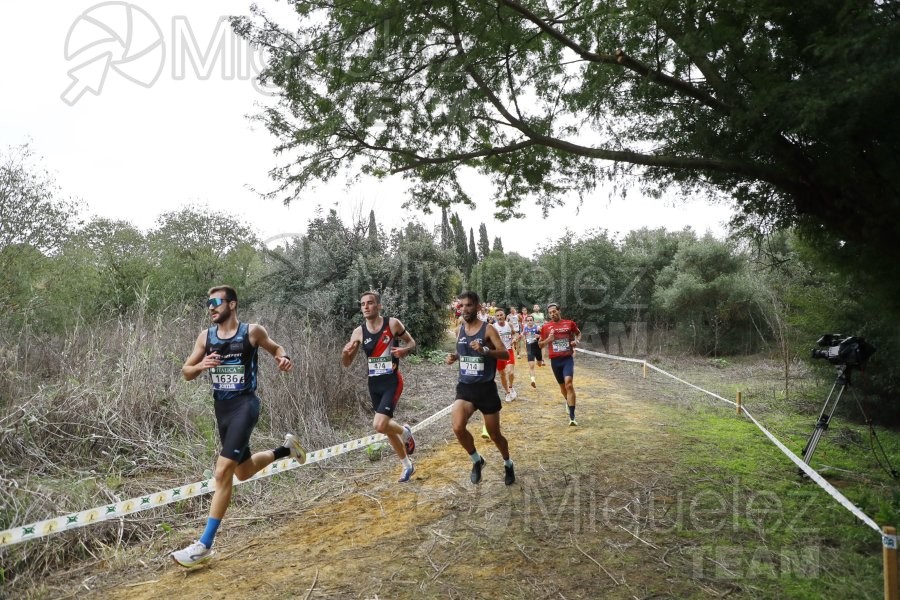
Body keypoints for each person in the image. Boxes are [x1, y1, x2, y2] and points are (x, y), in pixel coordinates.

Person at [171, 285, 306, 569]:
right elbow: (185, 372)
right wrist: (201, 366)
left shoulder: (252, 332)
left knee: (222, 472)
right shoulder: (205, 338)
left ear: (232, 304)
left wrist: (284, 358)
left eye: (216, 302)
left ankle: (204, 545)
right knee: (242, 472)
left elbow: (276, 348)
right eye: (208, 302)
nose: (211, 307)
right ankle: (286, 449)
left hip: (245, 406)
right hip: (222, 411)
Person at [341, 291, 417, 482]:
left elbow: (412, 342)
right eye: (362, 304)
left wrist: (405, 350)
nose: (365, 307)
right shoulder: (358, 332)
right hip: (373, 384)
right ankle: (407, 465)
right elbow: (347, 363)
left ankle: (405, 432)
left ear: (379, 306)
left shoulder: (392, 323)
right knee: (385, 428)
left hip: (392, 381)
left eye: (370, 303)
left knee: (379, 424)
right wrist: (345, 353)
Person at [446, 291, 515, 486]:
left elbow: (504, 354)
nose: (464, 309)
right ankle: (477, 460)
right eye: (462, 306)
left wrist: (485, 349)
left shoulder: (488, 329)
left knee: (495, 436)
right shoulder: (460, 328)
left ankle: (508, 463)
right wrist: (454, 357)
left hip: (486, 389)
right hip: (465, 388)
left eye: (468, 305)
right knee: (458, 427)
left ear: (477, 307)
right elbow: (463, 352)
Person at [539, 303, 581, 426]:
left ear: (559, 311)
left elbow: (578, 333)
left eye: (554, 311)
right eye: (550, 312)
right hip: (555, 361)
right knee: (563, 388)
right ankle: (568, 402)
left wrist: (576, 341)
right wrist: (549, 339)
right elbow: (540, 345)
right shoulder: (546, 327)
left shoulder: (569, 323)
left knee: (569, 384)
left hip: (567, 358)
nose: (552, 314)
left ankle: (572, 417)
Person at [492, 309, 518, 402]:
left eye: (501, 315)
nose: (499, 317)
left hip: (508, 351)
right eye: (497, 315)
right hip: (498, 353)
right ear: (495, 317)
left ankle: (511, 387)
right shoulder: (493, 327)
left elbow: (515, 334)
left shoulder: (509, 325)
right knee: (502, 375)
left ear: (504, 315)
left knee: (510, 372)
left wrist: (514, 339)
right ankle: (507, 393)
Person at [522, 314, 541, 388]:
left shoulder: (537, 328)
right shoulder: (525, 328)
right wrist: (525, 342)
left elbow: (543, 335)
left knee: (539, 364)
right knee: (531, 366)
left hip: (537, 348)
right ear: (526, 321)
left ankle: (539, 360)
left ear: (533, 321)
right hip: (530, 348)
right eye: (528, 320)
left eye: (531, 320)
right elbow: (523, 335)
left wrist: (539, 336)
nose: (529, 322)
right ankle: (533, 380)